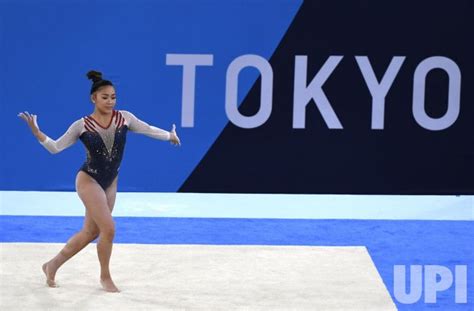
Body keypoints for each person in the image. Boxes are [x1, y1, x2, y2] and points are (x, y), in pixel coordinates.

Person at [18, 70, 181, 292]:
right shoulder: (81, 125)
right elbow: (56, 148)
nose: (110, 101)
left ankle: (51, 265)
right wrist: (38, 134)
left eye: (113, 97)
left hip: (110, 181)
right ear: (93, 98)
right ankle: (105, 277)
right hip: (88, 180)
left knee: (90, 233)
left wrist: (169, 136)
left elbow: (148, 129)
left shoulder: (125, 118)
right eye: (105, 97)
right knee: (109, 228)